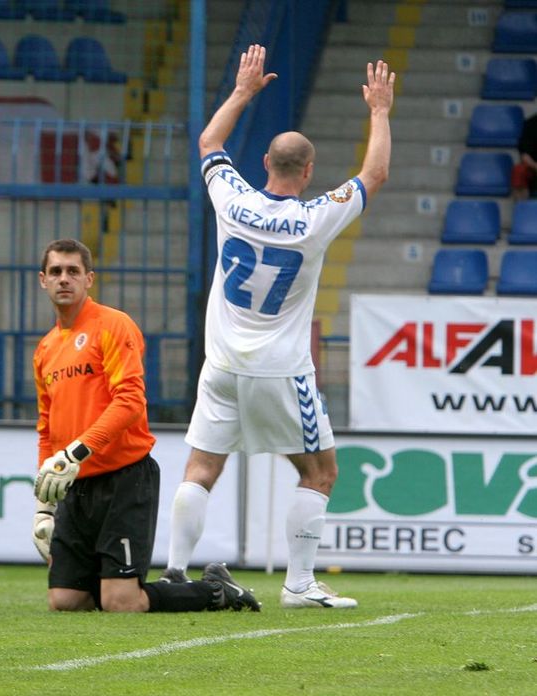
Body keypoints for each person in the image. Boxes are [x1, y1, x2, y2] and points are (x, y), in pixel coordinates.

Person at [163, 45, 395, 608]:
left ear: (265, 162)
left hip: (220, 365)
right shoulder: (315, 220)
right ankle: (298, 584)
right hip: (280, 370)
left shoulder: (232, 200)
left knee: (201, 466)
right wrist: (380, 110)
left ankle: (172, 571)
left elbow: (210, 144)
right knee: (320, 473)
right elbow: (375, 173)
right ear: (309, 171)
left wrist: (243, 91)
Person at [31, 238, 259, 613]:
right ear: (43, 280)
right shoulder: (45, 349)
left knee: (121, 603)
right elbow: (46, 426)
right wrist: (43, 506)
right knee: (66, 601)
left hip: (124, 478)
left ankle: (215, 591)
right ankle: (104, 584)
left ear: (89, 279)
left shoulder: (113, 325)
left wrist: (79, 449)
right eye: (55, 272)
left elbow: (130, 401)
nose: (64, 279)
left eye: (73, 271)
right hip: (76, 484)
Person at [511, 112, 537, 201]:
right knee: (519, 171)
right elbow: (525, 155)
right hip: (534, 170)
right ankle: (522, 209)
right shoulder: (531, 124)